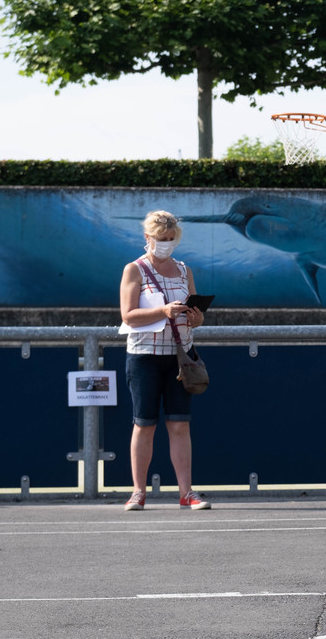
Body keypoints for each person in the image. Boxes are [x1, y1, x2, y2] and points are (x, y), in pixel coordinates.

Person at [118, 210, 209, 512]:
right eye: (161, 239)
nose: (166, 244)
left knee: (180, 425)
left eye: (171, 240)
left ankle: (187, 493)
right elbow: (128, 315)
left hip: (180, 358)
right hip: (144, 357)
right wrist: (164, 311)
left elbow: (194, 311)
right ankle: (138, 492)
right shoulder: (134, 269)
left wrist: (196, 318)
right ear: (148, 238)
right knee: (144, 425)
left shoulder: (184, 270)